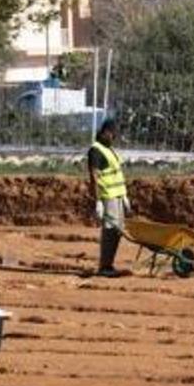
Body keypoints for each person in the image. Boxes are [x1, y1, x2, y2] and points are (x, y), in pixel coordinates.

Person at [88, 119, 131, 278]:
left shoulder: (109, 150)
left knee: (117, 232)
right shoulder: (96, 151)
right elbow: (94, 178)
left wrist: (124, 196)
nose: (114, 138)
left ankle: (109, 264)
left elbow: (117, 174)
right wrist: (98, 201)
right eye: (113, 135)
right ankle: (105, 267)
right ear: (106, 132)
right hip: (108, 198)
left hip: (117, 197)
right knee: (110, 232)